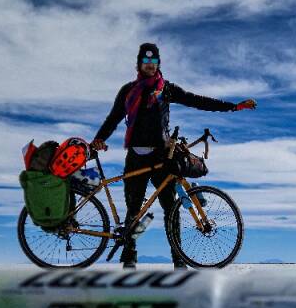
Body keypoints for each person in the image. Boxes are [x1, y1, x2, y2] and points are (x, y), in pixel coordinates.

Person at [90, 42, 256, 268]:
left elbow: (197, 100)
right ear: (139, 64)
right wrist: (99, 139)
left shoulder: (166, 89)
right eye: (146, 61)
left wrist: (232, 107)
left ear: (158, 63)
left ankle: (178, 259)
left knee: (172, 209)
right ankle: (129, 256)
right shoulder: (128, 91)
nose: (150, 65)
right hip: (136, 157)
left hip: (162, 158)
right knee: (133, 210)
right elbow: (113, 118)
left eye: (154, 61)